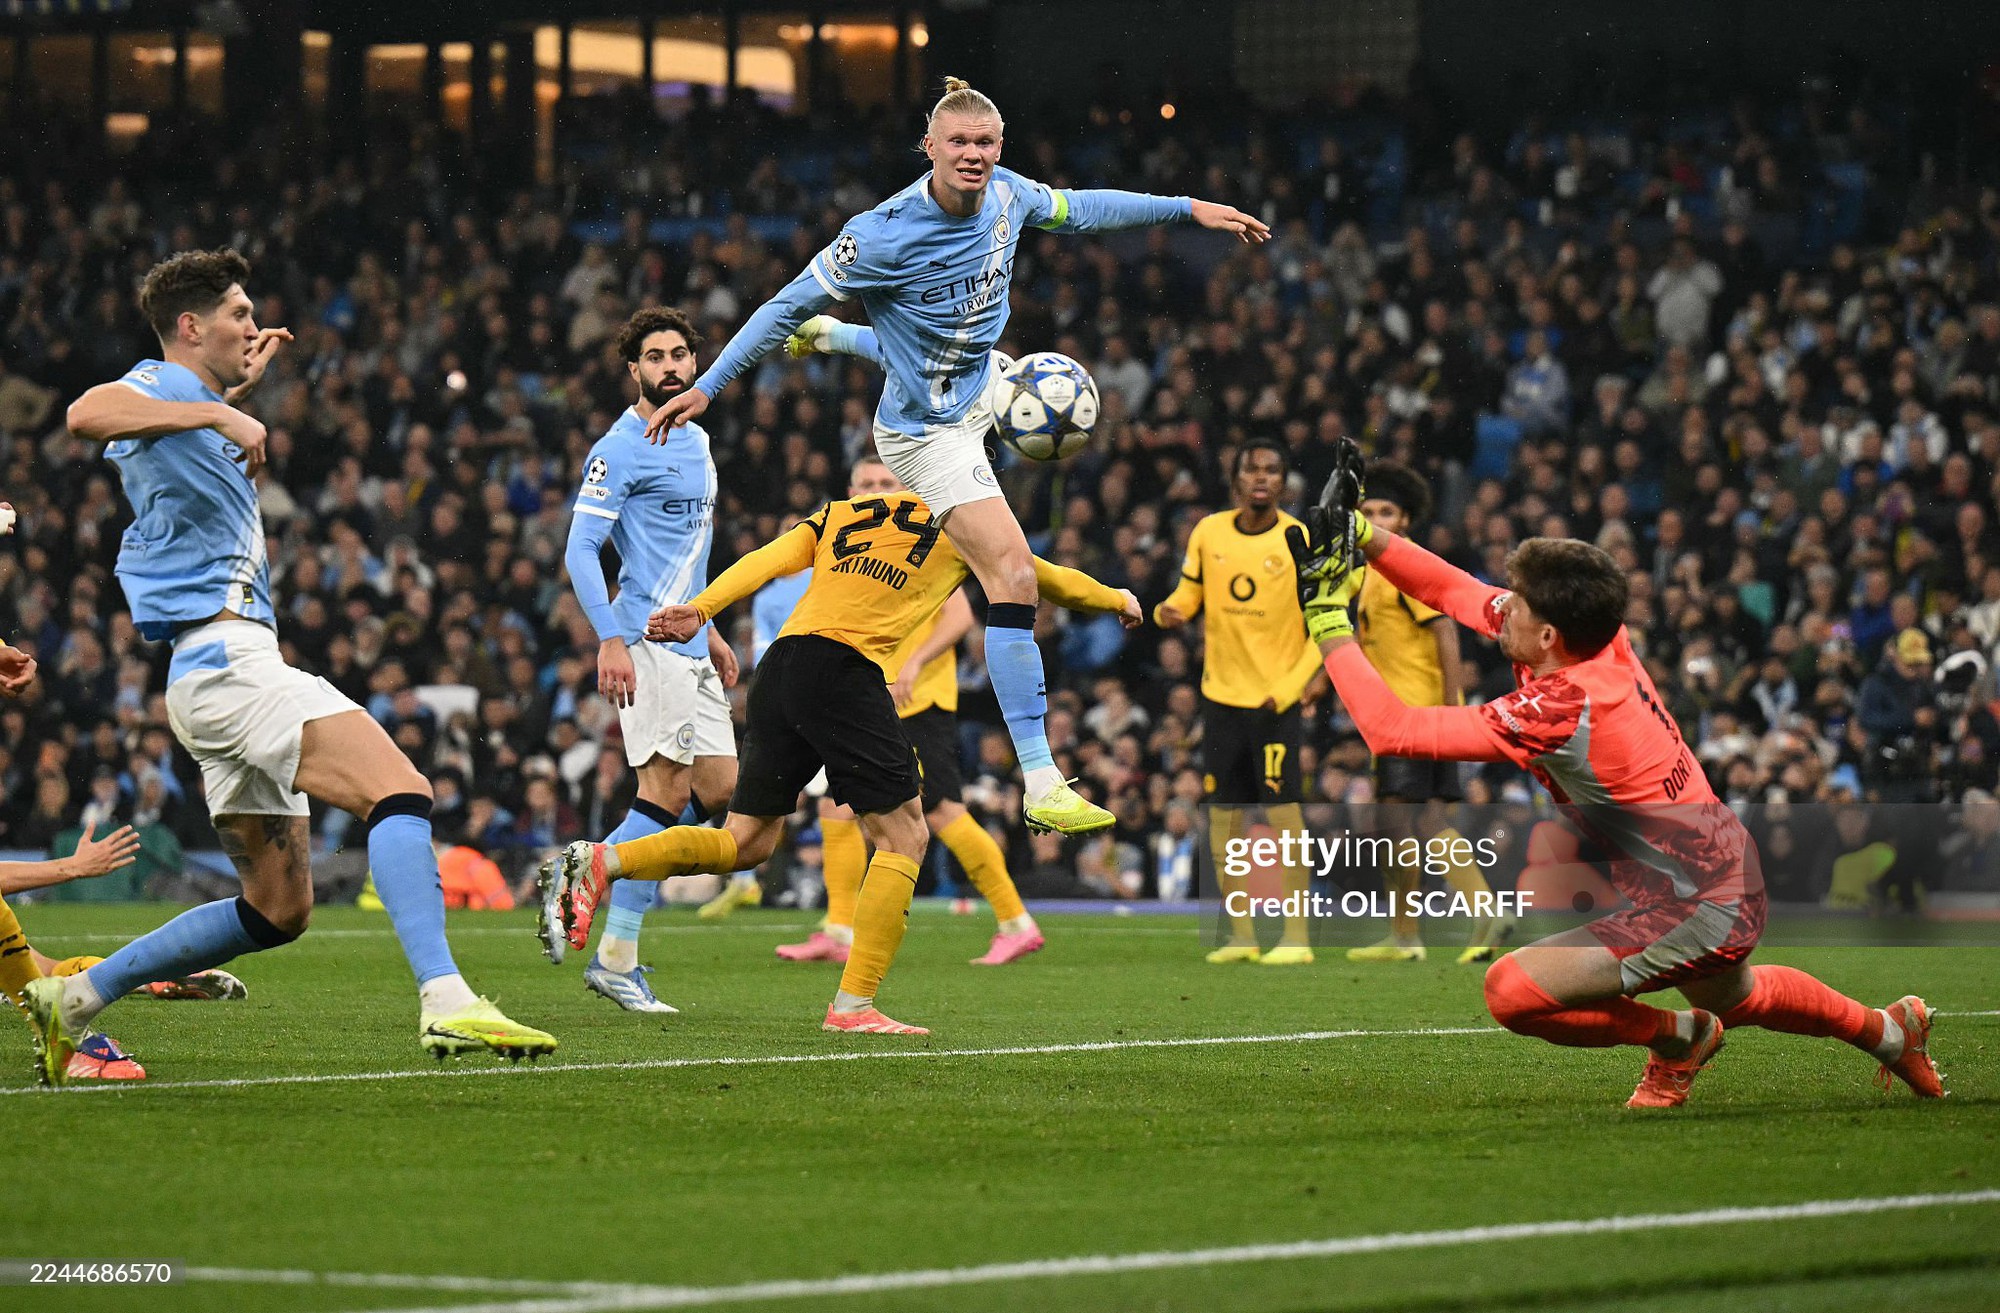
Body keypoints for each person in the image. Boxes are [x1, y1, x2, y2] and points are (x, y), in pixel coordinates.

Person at [644, 76, 1267, 840]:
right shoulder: (880, 233)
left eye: (986, 143)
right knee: (1008, 573)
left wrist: (1185, 209)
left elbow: (1082, 208)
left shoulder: (1008, 195)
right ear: (930, 150)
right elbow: (782, 305)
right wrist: (711, 385)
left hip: (978, 379)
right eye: (960, 144)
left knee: (959, 360)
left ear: (998, 150)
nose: (974, 155)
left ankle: (843, 340)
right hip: (926, 432)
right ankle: (1041, 779)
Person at [26, 249, 553, 1086]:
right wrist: (220, 415)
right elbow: (85, 412)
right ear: (190, 327)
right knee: (401, 788)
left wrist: (224, 399)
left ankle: (77, 997)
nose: (253, 324)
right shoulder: (157, 387)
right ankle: (446, 996)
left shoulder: (179, 401)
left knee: (278, 909)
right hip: (232, 666)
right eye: (238, 313)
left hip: (205, 675)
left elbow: (158, 422)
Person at [1291, 501, 1943, 1108]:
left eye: (1513, 606)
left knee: (1512, 990)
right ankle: (1892, 1031)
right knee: (1742, 996)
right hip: (1712, 871)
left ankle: (1679, 1037)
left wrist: (1326, 620)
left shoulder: (1560, 706)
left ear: (1547, 633)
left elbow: (1392, 731)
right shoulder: (1596, 638)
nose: (1500, 610)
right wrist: (1364, 534)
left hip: (1700, 898)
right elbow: (1453, 589)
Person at [539, 455, 1139, 1034]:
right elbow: (1044, 579)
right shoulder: (962, 525)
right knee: (906, 833)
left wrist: (702, 608)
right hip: (845, 672)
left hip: (782, 666)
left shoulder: (837, 516)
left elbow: (764, 561)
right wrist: (1117, 598)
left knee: (744, 842)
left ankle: (604, 860)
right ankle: (854, 1005)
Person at [778, 324, 1044, 965]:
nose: (876, 494)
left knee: (945, 810)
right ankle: (839, 930)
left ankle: (1014, 920)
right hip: (871, 695)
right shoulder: (855, 542)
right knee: (840, 811)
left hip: (918, 697)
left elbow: (959, 617)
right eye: (865, 487)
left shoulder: (929, 530)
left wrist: (914, 665)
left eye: (885, 485)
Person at [557, 306, 743, 1012]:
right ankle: (616, 953)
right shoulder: (621, 447)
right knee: (664, 796)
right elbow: (581, 549)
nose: (670, 366)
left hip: (692, 638)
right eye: (655, 356)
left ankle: (602, 862)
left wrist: (713, 625)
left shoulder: (696, 439)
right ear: (632, 368)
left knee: (722, 792)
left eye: (680, 355)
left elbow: (689, 552)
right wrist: (609, 636)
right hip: (645, 640)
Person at [1153, 438, 1325, 965]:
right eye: (1252, 469)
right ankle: (1242, 935)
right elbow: (1190, 592)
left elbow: (1322, 624)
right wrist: (1169, 611)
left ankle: (1297, 936)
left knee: (1282, 818)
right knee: (1224, 819)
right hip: (1220, 697)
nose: (1261, 479)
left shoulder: (1297, 538)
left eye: (1272, 471)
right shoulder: (1209, 531)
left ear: (1283, 483)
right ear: (1236, 477)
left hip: (1275, 701)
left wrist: (1294, 688)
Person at [1344, 461, 1508, 966]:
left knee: (1404, 821)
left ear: (1406, 520)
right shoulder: (1367, 574)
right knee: (1422, 821)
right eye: (1367, 511)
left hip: (1412, 715)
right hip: (1411, 715)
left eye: (1387, 512)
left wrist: (1452, 709)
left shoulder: (1403, 566)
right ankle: (1411, 932)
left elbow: (1446, 632)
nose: (1376, 519)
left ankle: (1468, 915)